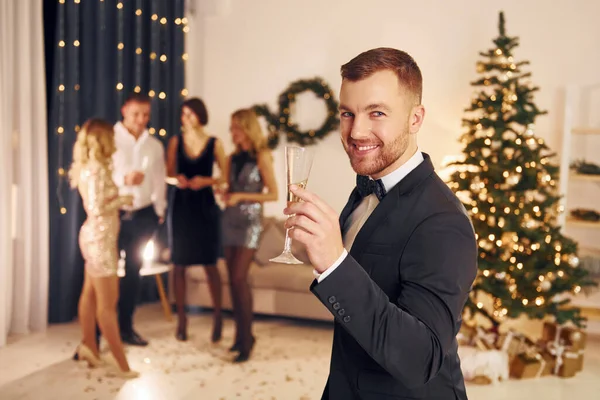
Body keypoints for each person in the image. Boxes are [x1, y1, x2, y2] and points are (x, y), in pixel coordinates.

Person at [284, 48, 478, 399]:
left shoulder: (443, 221)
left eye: (377, 112)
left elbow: (421, 359)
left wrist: (334, 263)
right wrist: (312, 249)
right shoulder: (366, 189)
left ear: (415, 119)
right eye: (347, 113)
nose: (356, 131)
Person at [69, 118, 139, 379]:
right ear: (102, 139)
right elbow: (97, 208)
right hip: (100, 240)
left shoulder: (90, 167)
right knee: (108, 304)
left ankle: (90, 347)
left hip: (95, 236)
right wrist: (123, 198)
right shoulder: (97, 168)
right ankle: (122, 366)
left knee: (89, 294)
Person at [166, 97, 227, 342]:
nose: (185, 119)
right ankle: (181, 319)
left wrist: (207, 181)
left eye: (190, 114)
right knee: (178, 264)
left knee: (210, 264)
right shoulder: (175, 142)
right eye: (183, 114)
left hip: (205, 207)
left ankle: (218, 317)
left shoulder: (215, 143)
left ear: (201, 115)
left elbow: (225, 178)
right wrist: (177, 180)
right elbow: (168, 174)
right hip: (181, 206)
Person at [221, 108, 278, 363]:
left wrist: (242, 196)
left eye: (236, 127)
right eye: (231, 127)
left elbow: (273, 194)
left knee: (239, 278)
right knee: (232, 282)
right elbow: (227, 187)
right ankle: (239, 337)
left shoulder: (261, 156)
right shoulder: (232, 158)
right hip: (230, 221)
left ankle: (247, 340)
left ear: (247, 128)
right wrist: (225, 193)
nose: (232, 132)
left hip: (250, 224)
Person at [112, 92, 167, 346]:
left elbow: (159, 179)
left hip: (144, 214)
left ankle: (126, 327)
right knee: (107, 273)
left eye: (146, 114)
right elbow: (98, 175)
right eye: (136, 114)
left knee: (134, 273)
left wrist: (159, 210)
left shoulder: (154, 145)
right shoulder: (109, 140)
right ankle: (102, 328)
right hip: (114, 214)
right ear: (124, 110)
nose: (141, 119)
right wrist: (123, 180)